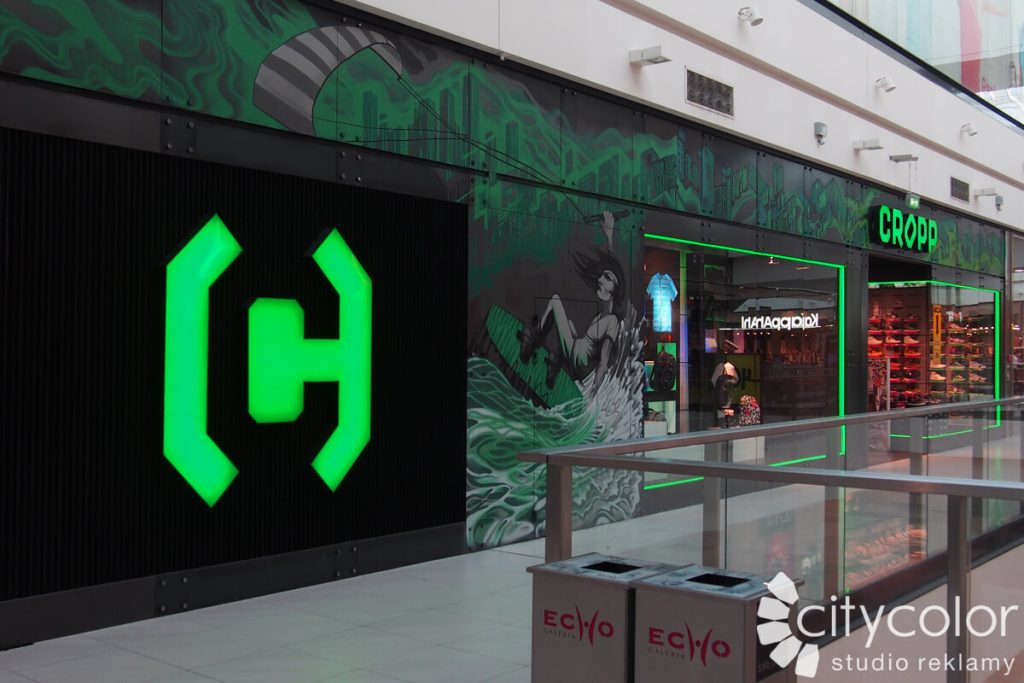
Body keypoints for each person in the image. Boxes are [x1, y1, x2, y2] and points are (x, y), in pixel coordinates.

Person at [518, 211, 625, 393]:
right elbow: (613, 270)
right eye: (601, 276)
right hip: (577, 359)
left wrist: (594, 397)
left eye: (607, 278)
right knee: (569, 325)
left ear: (615, 289)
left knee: (555, 301)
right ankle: (554, 370)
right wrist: (608, 235)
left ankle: (531, 346)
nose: (600, 280)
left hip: (579, 361)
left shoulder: (612, 322)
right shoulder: (603, 315)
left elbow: (603, 362)